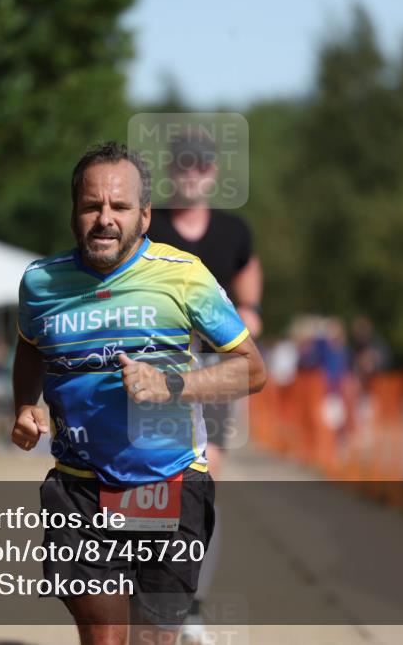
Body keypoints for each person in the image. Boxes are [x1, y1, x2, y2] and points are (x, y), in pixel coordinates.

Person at [11, 141, 267, 645]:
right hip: (78, 487)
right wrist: (25, 404)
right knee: (105, 636)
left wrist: (171, 383)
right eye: (92, 206)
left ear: (144, 216)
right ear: (74, 214)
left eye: (120, 207)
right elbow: (30, 349)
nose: (105, 219)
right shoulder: (40, 283)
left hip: (165, 484)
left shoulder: (184, 277)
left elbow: (252, 370)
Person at [145, 135, 263, 643]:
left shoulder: (233, 231)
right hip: (156, 367)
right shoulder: (155, 226)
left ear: (213, 173)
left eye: (201, 167)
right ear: (173, 172)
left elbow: (249, 289)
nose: (192, 175)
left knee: (204, 477)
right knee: (147, 484)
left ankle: (190, 602)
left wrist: (244, 314)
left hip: (211, 371)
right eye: (183, 167)